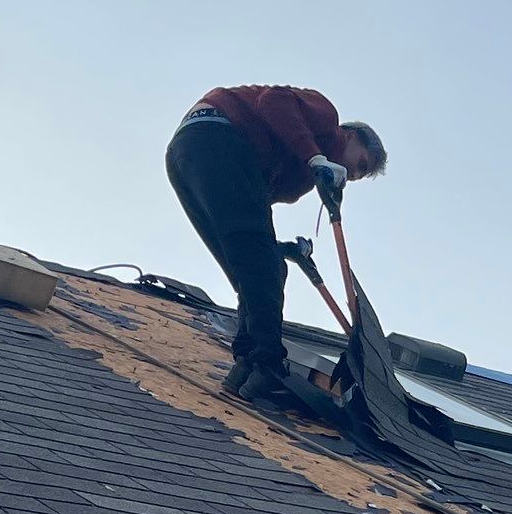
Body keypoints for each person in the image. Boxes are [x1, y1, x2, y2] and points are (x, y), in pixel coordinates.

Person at [165, 86, 386, 410]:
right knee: (264, 269)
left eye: (359, 176)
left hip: (189, 154)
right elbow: (273, 101)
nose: (353, 176)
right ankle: (267, 366)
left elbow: (250, 213)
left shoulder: (299, 181)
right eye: (360, 165)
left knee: (256, 269)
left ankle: (246, 365)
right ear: (351, 136)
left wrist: (273, 249)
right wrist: (316, 156)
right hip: (219, 134)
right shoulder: (326, 119)